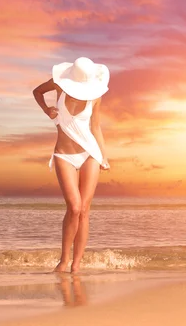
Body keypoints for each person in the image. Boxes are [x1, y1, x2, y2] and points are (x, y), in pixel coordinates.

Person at [32, 57, 111, 273]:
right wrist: (47, 110)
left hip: (89, 153)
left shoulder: (95, 96)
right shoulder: (58, 84)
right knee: (74, 207)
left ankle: (76, 266)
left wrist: (104, 156)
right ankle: (64, 260)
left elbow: (96, 126)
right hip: (64, 155)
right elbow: (37, 92)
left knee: (84, 210)